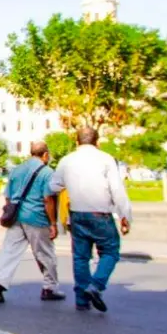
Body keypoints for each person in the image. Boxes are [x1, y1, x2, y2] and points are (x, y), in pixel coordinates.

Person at [49, 127, 131, 313]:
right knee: (110, 251)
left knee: (80, 256)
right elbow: (117, 190)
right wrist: (125, 215)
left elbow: (53, 185)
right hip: (101, 213)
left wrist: (69, 184)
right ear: (97, 141)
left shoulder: (67, 160)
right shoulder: (105, 159)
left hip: (77, 213)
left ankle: (81, 299)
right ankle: (96, 285)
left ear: (77, 142)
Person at [0, 141, 64, 303]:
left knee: (9, 251)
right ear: (45, 155)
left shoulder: (17, 170)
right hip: (36, 217)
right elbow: (47, 199)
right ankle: (49, 287)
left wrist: (10, 210)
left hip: (16, 217)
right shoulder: (47, 172)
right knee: (45, 254)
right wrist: (52, 223)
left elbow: (8, 196)